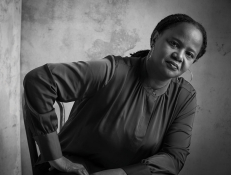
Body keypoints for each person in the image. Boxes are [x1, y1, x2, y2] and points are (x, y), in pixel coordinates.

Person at [23, 14, 207, 175]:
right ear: (155, 39)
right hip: (77, 170)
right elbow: (39, 81)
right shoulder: (112, 70)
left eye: (189, 54)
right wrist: (56, 158)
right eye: (174, 44)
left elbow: (174, 156)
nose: (179, 56)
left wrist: (122, 173)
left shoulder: (184, 96)